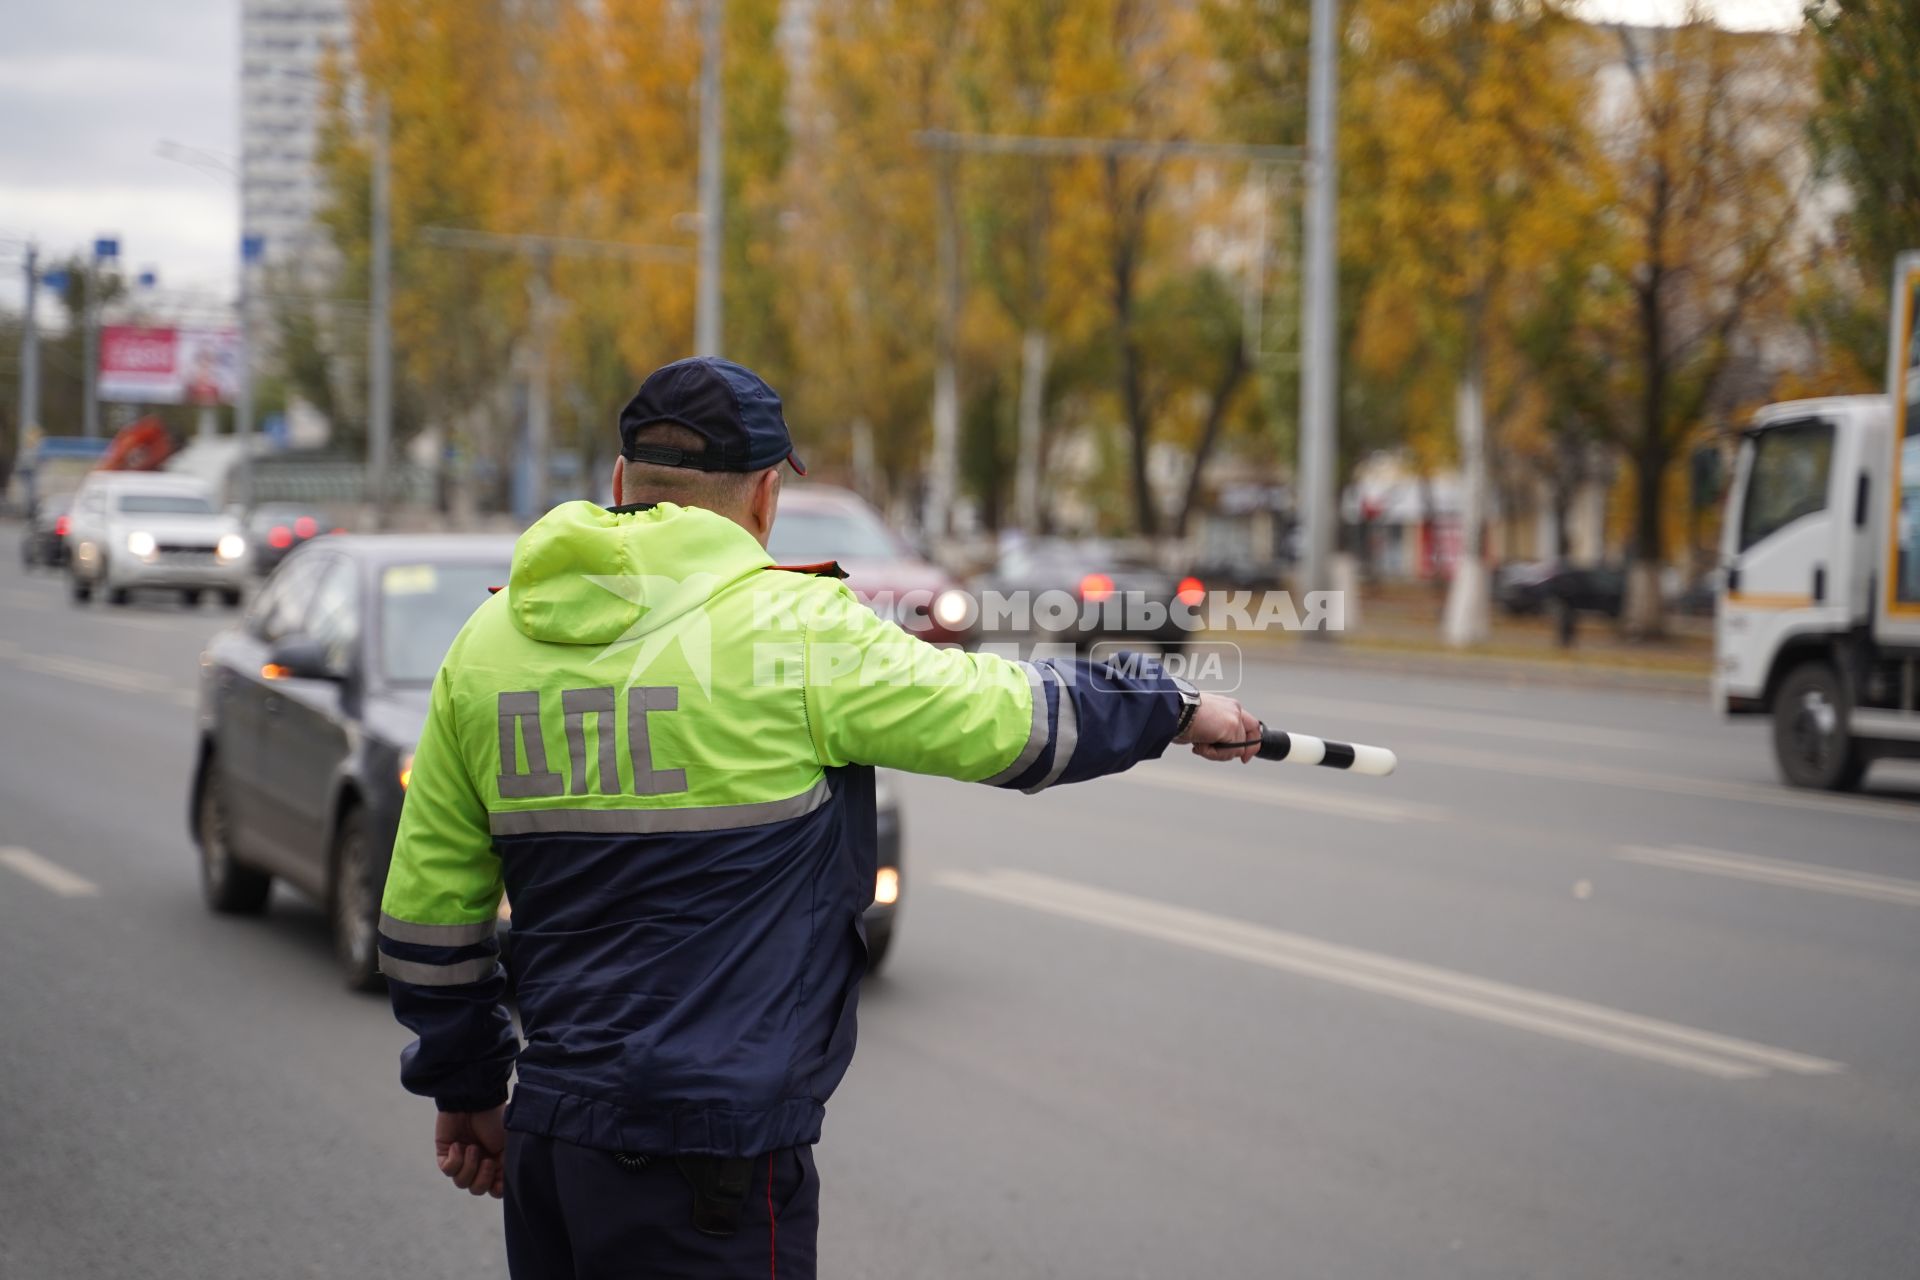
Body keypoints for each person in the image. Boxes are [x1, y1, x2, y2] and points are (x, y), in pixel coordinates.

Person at [379, 356, 1262, 1278]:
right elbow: (1011, 721)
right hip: (710, 1157)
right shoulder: (795, 630)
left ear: (618, 482)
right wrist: (1167, 705)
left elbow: (427, 918)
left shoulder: (485, 645)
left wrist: (466, 1083)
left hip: (551, 1145)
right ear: (765, 495)